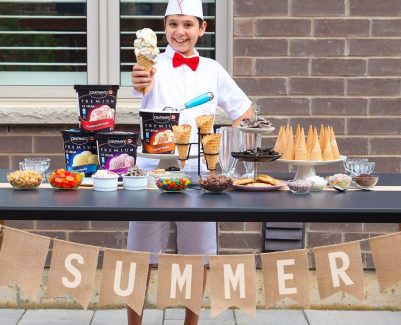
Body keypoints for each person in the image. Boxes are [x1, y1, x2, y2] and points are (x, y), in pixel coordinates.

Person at [128, 1, 253, 324]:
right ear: (164, 27)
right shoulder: (151, 66)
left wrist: (221, 148)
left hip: (200, 172)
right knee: (139, 258)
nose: (179, 32)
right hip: (152, 171)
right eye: (172, 24)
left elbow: (245, 113)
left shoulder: (212, 69)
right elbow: (141, 83)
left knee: (198, 257)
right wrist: (140, 81)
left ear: (202, 28)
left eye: (187, 24)